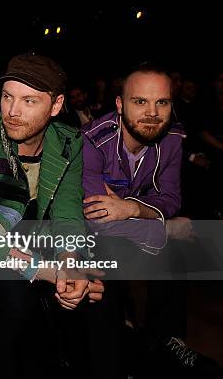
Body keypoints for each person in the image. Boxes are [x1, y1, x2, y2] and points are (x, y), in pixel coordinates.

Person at [0, 53, 103, 377]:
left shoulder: (68, 142)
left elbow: (67, 211)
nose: (13, 112)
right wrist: (49, 271)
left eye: (29, 101)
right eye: (7, 97)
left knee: (97, 288)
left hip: (33, 238)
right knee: (15, 300)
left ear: (56, 105)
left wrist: (70, 261)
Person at [82, 63, 218, 371]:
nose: (152, 112)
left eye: (162, 102)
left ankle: (167, 343)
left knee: (181, 251)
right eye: (140, 101)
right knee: (105, 256)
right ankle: (112, 356)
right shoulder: (92, 142)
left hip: (132, 226)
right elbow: (97, 219)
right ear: (120, 104)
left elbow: (170, 199)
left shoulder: (172, 138)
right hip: (86, 237)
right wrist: (165, 229)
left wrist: (131, 207)